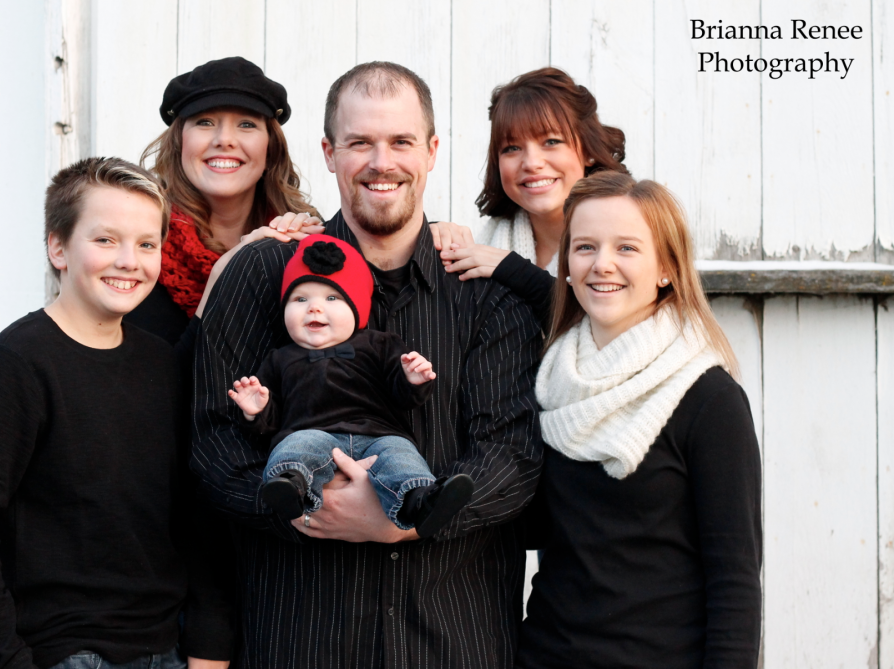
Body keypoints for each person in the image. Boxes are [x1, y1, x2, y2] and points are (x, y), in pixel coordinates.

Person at [192, 62, 543, 668]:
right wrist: (305, 511)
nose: (382, 162)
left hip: (454, 639)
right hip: (300, 637)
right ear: (329, 153)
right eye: (360, 143)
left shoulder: (485, 292)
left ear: (432, 152)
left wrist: (406, 525)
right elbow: (213, 440)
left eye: (402, 141)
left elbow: (511, 456)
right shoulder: (261, 276)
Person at [0, 158, 232, 669]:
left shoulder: (162, 363)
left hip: (165, 649)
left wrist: (208, 646)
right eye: (105, 240)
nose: (129, 261)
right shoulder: (15, 365)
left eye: (145, 244)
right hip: (65, 653)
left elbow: (195, 516)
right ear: (58, 247)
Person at [517, 171, 762, 668]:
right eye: (585, 247)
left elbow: (735, 579)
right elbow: (529, 530)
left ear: (666, 269)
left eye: (627, 248)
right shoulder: (548, 382)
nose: (602, 264)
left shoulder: (708, 398)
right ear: (566, 264)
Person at [228, 234, 474, 535]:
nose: (314, 308)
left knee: (402, 457)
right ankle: (291, 488)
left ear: (357, 308)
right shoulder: (280, 359)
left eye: (332, 298)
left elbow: (403, 396)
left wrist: (412, 378)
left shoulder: (380, 345)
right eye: (300, 299)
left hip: (380, 435)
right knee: (296, 447)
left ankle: (419, 500)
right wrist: (257, 410)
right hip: (313, 431)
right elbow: (273, 420)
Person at [125, 56, 322, 345]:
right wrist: (226, 276)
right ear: (179, 142)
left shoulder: (300, 246)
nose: (225, 140)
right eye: (205, 122)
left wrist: (312, 252)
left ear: (270, 148)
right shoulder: (136, 250)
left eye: (246, 124)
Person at [431, 67, 627, 326]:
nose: (532, 163)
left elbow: (605, 321)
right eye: (512, 148)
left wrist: (513, 271)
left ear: (589, 149)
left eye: (551, 141)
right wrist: (427, 240)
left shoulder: (631, 229)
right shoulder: (490, 241)